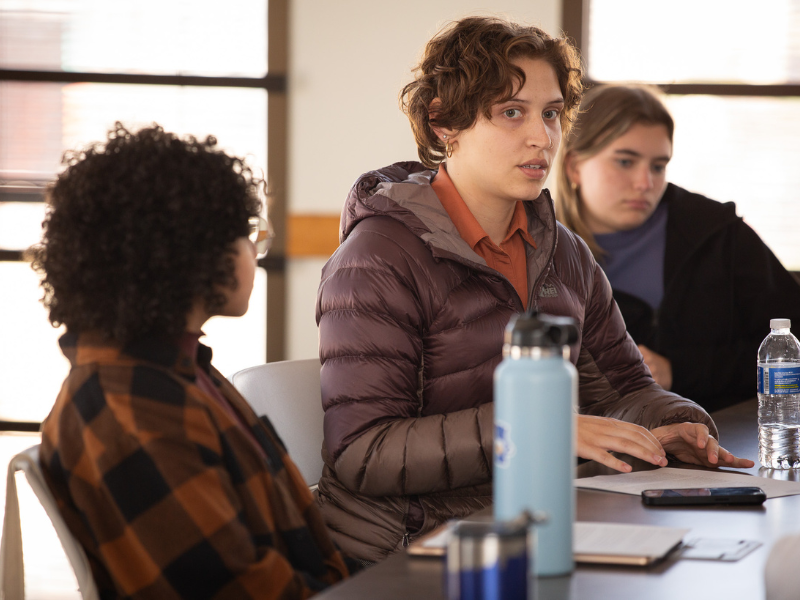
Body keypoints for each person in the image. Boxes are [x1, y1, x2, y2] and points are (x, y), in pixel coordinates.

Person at [314, 16, 753, 563]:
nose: (541, 137)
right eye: (511, 112)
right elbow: (364, 451)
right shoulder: (378, 258)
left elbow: (626, 393)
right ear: (443, 122)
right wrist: (541, 429)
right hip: (407, 553)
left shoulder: (563, 251)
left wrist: (676, 425)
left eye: (550, 114)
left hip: (537, 527)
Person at [32, 124, 350, 598]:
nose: (255, 252)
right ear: (184, 251)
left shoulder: (179, 371)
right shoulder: (125, 408)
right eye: (245, 233)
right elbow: (233, 589)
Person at [555, 84, 800, 412]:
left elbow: (793, 342)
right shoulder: (538, 248)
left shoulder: (718, 234)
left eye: (658, 166)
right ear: (574, 166)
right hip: (592, 444)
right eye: (626, 162)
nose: (646, 183)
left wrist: (680, 371)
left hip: (723, 438)